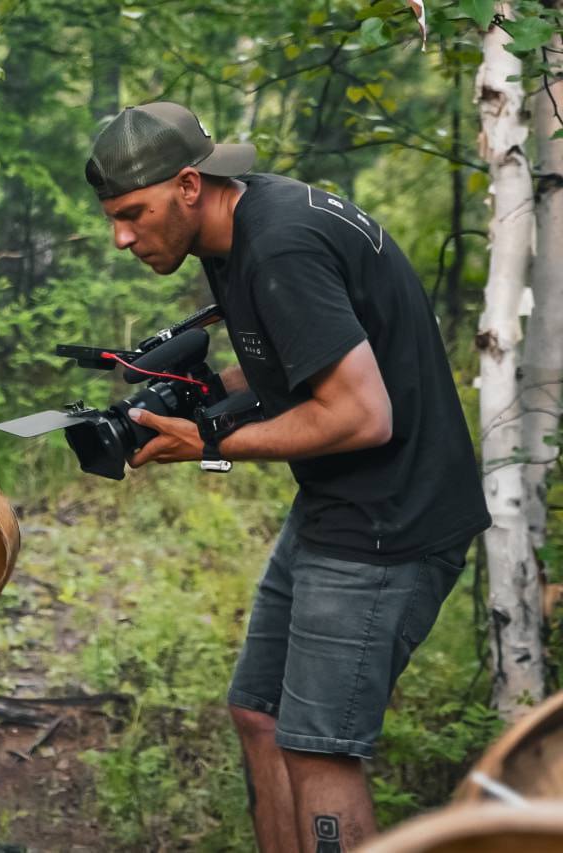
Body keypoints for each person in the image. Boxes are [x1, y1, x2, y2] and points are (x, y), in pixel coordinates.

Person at [84, 103, 491, 852]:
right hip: (339, 502)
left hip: (388, 521)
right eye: (113, 217)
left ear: (186, 185)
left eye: (133, 214)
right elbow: (297, 356)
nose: (122, 236)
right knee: (260, 712)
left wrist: (209, 439)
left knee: (317, 746)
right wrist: (194, 394)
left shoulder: (278, 248)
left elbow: (365, 415)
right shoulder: (244, 220)